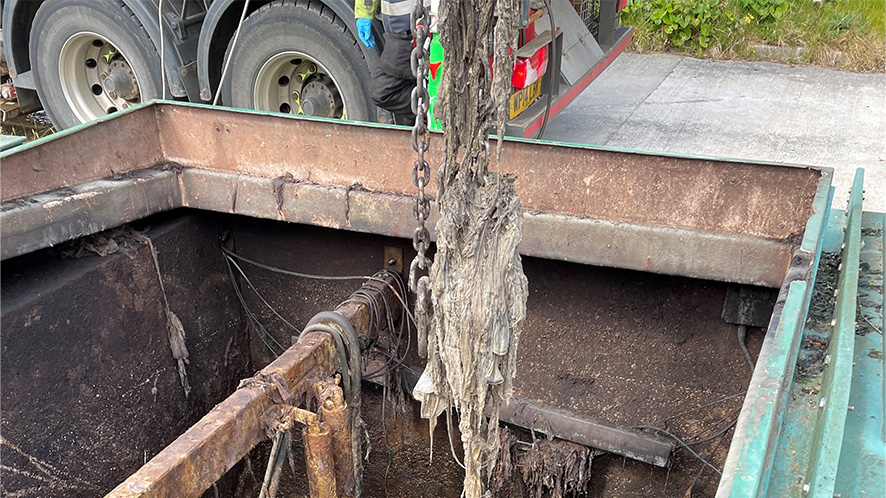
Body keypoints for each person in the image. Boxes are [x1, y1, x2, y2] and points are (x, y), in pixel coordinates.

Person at [355, 0, 427, 125]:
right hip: (401, 28)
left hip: (413, 28)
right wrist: (365, 12)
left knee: (382, 92)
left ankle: (433, 107)